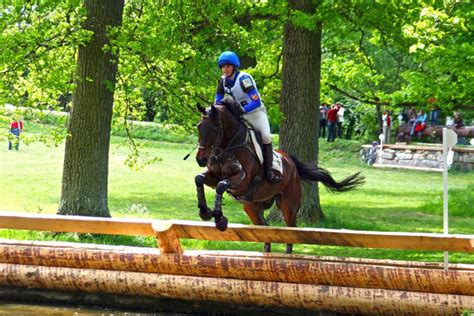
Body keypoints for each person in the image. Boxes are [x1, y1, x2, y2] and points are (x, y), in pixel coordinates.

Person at [214, 51, 281, 184]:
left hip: (255, 113)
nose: (225, 69)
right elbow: (217, 102)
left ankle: (270, 170)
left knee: (266, 137)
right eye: (223, 66)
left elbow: (255, 101)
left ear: (234, 67)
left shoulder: (244, 79)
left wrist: (242, 111)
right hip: (238, 115)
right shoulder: (222, 82)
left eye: (227, 66)